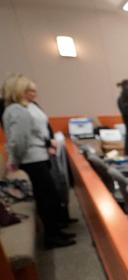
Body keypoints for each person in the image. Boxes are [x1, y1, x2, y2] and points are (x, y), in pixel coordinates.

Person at [2, 75, 76, 248]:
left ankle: (57, 231)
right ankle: (52, 236)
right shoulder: (15, 110)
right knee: (45, 199)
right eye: (30, 90)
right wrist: (14, 160)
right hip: (31, 161)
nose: (35, 93)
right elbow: (18, 140)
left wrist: (47, 143)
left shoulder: (28, 107)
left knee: (50, 196)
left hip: (40, 156)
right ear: (19, 91)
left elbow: (36, 131)